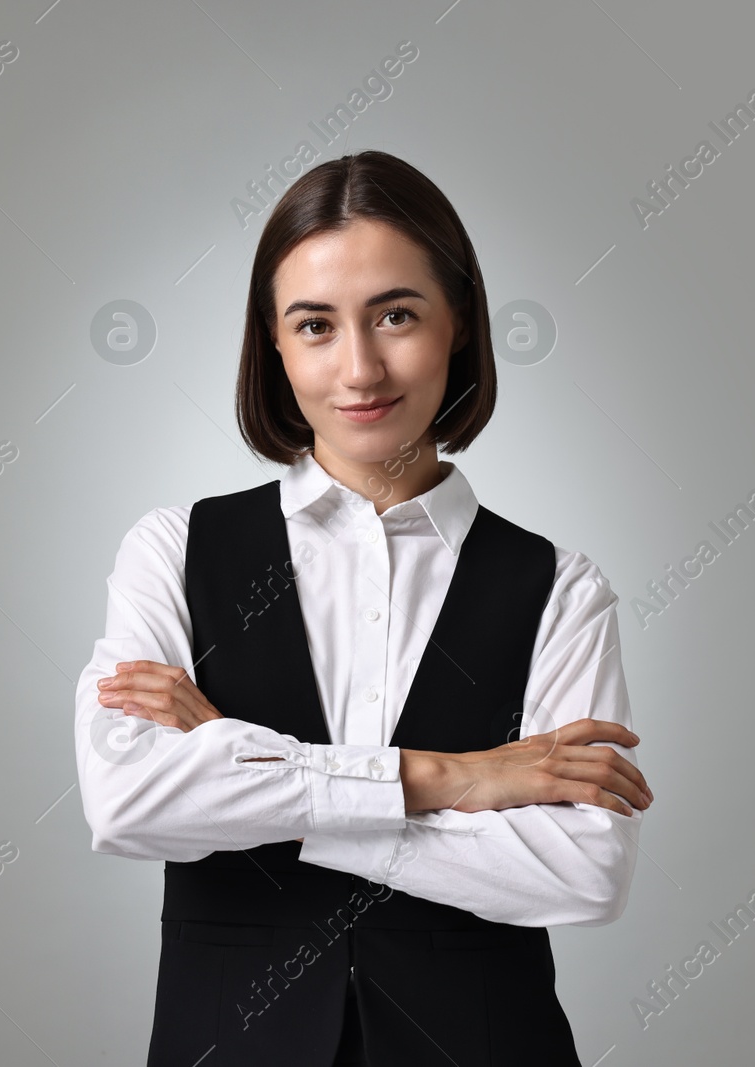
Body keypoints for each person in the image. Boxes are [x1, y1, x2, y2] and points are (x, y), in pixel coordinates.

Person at [74, 150, 653, 1066]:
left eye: (396, 314)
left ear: (458, 322)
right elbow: (128, 802)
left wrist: (250, 766)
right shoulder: (171, 550)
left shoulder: (561, 588)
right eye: (314, 324)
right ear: (272, 340)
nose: (360, 367)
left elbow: (584, 872)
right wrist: (457, 778)